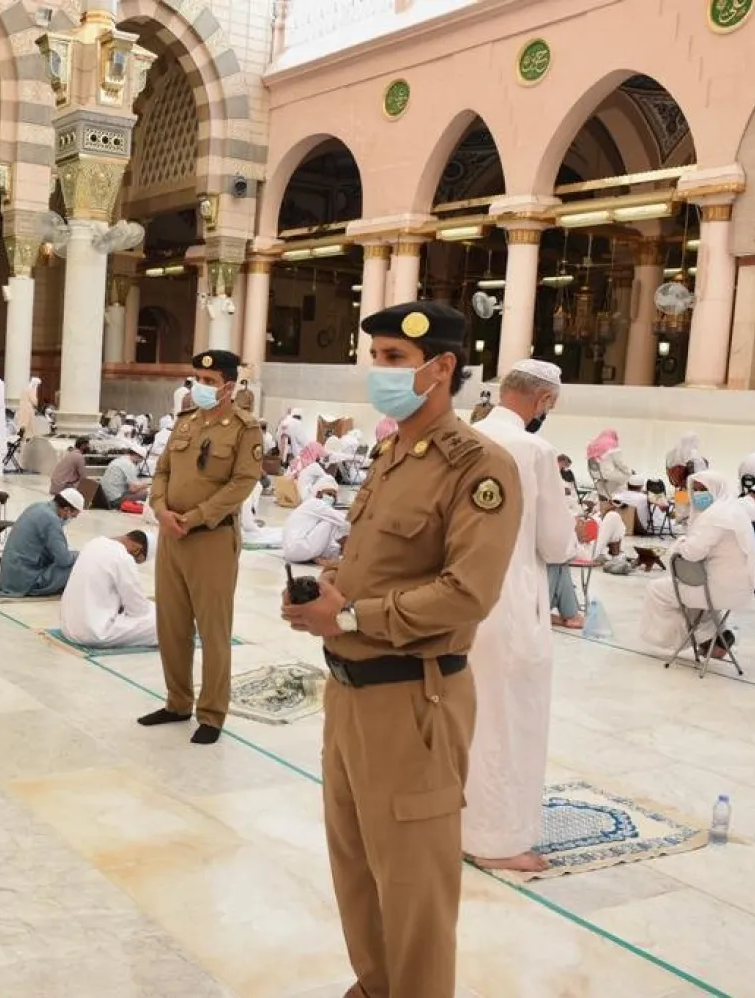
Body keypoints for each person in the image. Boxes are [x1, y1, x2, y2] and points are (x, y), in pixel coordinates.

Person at [279, 300, 521, 998]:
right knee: (355, 866)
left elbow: (467, 594)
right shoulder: (393, 452)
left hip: (414, 699)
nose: (377, 371)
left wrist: (350, 614)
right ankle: (376, 985)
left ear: (440, 367)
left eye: (393, 359)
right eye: (376, 357)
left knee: (413, 886)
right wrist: (327, 588)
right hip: (349, 692)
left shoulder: (478, 465)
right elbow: (379, 562)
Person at [465, 359, 578, 874]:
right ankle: (495, 841)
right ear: (543, 401)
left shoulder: (464, 435)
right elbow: (556, 543)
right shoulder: (534, 450)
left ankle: (456, 823)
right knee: (508, 722)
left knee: (465, 716)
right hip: (509, 603)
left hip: (459, 596)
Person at [137, 348, 261, 746]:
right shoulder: (186, 423)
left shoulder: (245, 429)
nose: (200, 388)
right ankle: (177, 702)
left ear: (228, 385)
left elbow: (242, 483)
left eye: (208, 382)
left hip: (212, 539)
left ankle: (211, 713)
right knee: (171, 626)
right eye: (197, 380)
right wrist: (160, 509)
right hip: (173, 538)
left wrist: (194, 516)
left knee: (212, 630)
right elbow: (162, 471)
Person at [639, 471, 755, 658]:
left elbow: (692, 553)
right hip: (739, 591)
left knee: (657, 589)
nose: (698, 494)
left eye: (704, 489)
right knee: (692, 593)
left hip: (717, 591)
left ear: (716, 490)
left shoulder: (716, 516)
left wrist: (680, 544)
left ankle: (697, 638)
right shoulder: (734, 511)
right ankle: (715, 639)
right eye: (695, 489)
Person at [60, 531, 156, 647]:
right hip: (93, 632)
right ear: (137, 549)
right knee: (161, 621)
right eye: (137, 560)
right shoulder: (123, 558)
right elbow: (138, 609)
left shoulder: (93, 543)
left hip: (67, 627)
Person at [0, 490, 83, 596]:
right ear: (66, 510)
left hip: (9, 576)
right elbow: (64, 560)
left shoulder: (37, 506)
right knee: (78, 560)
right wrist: (79, 557)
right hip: (24, 581)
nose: (70, 520)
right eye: (72, 516)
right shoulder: (51, 520)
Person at [281, 480, 348, 566]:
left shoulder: (308, 505)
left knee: (332, 523)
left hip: (291, 552)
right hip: (299, 548)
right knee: (332, 521)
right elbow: (345, 521)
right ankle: (324, 556)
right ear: (318, 494)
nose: (332, 498)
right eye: (329, 494)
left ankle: (324, 555)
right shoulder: (316, 504)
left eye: (334, 497)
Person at [100, 444, 150, 508]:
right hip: (114, 500)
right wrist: (147, 484)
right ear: (138, 456)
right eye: (142, 459)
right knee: (147, 493)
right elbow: (133, 489)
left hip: (105, 498)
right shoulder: (129, 465)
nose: (141, 462)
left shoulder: (119, 460)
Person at [587, 428, 632, 499]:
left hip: (594, 473)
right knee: (627, 477)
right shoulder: (612, 445)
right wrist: (629, 471)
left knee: (614, 479)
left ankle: (602, 493)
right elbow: (620, 463)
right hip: (606, 472)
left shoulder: (593, 444)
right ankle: (615, 498)